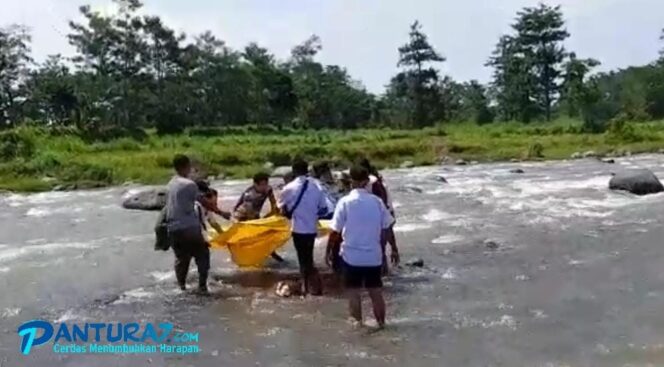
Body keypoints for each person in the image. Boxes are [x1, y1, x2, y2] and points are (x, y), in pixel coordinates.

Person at [326, 165, 397, 329]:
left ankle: (357, 326)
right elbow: (388, 227)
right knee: (376, 293)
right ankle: (381, 325)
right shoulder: (377, 202)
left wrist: (329, 251)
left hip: (351, 257)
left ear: (351, 181)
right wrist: (392, 248)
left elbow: (335, 231)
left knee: (353, 294)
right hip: (373, 256)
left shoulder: (345, 202)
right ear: (367, 181)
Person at [278, 158, 328, 296]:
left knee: (303, 260)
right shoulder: (317, 186)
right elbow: (323, 209)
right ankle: (315, 288)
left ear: (294, 171)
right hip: (312, 229)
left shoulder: (288, 188)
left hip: (298, 229)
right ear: (307, 170)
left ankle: (306, 289)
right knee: (309, 258)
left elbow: (280, 207)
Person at [166, 155, 210, 295]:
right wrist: (223, 213)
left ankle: (181, 287)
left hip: (173, 228)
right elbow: (203, 201)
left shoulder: (171, 183)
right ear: (187, 166)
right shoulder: (189, 184)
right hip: (189, 227)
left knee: (181, 258)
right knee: (202, 254)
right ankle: (202, 287)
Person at [358, 158, 400, 273]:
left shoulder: (372, 183)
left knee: (378, 251)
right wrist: (394, 247)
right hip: (386, 216)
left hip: (381, 218)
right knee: (379, 250)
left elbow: (383, 208)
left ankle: (381, 279)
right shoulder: (377, 180)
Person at [233, 172, 284, 262]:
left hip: (255, 214)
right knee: (250, 238)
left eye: (266, 184)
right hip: (241, 216)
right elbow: (250, 216)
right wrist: (260, 224)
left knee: (268, 234)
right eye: (262, 185)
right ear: (255, 184)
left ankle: (271, 253)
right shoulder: (249, 195)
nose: (264, 187)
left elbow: (274, 204)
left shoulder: (268, 189)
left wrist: (274, 215)